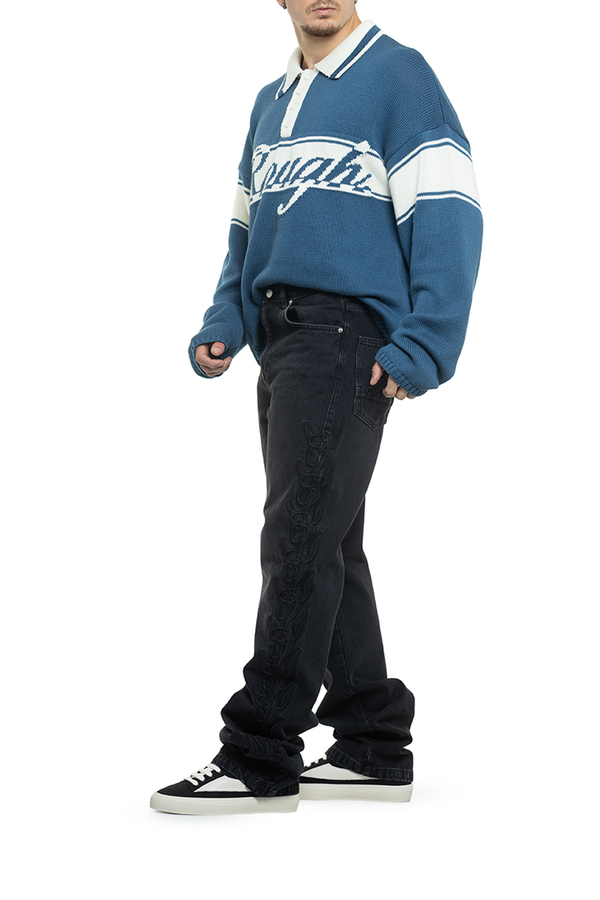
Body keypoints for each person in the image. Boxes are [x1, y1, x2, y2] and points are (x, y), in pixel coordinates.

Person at [150, 0, 483, 816]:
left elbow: (451, 212)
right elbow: (245, 230)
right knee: (326, 538)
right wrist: (226, 319)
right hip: (281, 337)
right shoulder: (270, 101)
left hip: (346, 336)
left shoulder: (398, 75)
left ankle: (259, 750)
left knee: (297, 537)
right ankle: (371, 741)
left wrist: (425, 342)